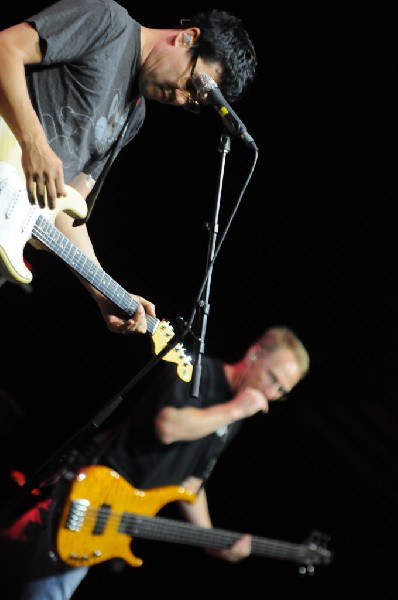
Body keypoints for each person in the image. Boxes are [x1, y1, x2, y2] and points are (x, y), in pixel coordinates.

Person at [0, 0, 257, 336]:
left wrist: (103, 292)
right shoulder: (109, 23)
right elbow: (7, 47)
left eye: (194, 104)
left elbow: (64, 210)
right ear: (187, 38)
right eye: (192, 85)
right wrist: (34, 142)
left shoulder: (133, 117)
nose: (181, 100)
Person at [0, 325, 310, 599]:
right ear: (255, 354)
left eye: (281, 392)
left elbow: (190, 484)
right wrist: (236, 410)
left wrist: (212, 539)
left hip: (110, 522)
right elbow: (168, 427)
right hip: (91, 492)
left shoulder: (234, 416)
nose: (270, 394)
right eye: (273, 379)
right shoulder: (196, 369)